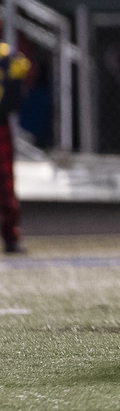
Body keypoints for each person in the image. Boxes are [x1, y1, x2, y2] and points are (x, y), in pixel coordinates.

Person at [0, 40, 31, 253]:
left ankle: (11, 235)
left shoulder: (7, 54)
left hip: (1, 125)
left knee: (6, 184)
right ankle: (11, 236)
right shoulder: (7, 54)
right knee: (6, 184)